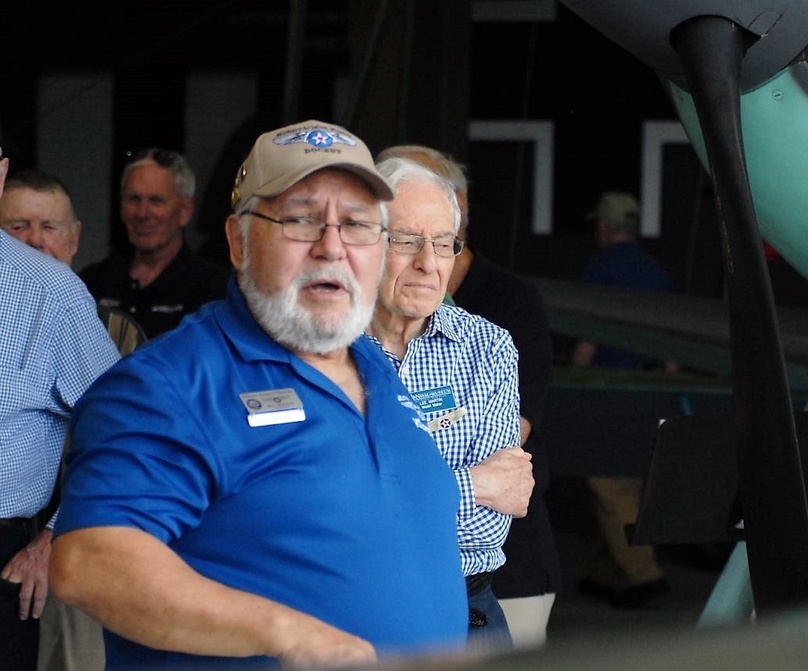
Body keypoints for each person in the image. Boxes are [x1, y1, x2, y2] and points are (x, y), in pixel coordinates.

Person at [49, 120, 469, 669]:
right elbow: (90, 561)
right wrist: (287, 631)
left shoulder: (378, 370)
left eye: (359, 224)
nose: (332, 247)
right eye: (300, 219)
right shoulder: (172, 383)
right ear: (238, 241)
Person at [375, 144, 562, 650]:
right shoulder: (328, 351)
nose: (426, 263)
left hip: (470, 614)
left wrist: (391, 497)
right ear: (364, 240)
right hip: (360, 611)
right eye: (407, 240)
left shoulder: (487, 345)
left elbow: (491, 521)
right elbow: (334, 509)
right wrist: (473, 481)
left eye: (443, 244)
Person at [0, 167, 146, 671]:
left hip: (27, 551)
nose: (36, 241)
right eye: (19, 226)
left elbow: (129, 434)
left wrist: (52, 539)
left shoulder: (57, 300)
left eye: (50, 228)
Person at [572, 191, 674, 608]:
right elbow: (672, 348)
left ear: (602, 228)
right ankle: (607, 569)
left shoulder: (600, 270)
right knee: (630, 489)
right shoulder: (657, 273)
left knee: (610, 488)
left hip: (609, 394)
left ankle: (643, 575)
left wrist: (570, 389)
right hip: (652, 394)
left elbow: (587, 343)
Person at [79, 147, 232, 339]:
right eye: (134, 199)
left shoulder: (213, 288)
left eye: (156, 200)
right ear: (121, 207)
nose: (142, 213)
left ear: (185, 211)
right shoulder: (93, 282)